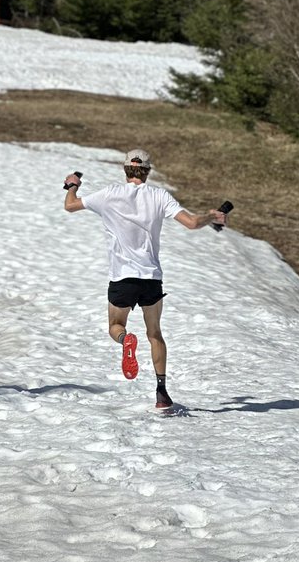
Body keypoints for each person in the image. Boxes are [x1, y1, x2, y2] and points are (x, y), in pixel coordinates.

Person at [63, 149, 228, 410]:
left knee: (116, 325)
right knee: (155, 333)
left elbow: (70, 206)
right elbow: (192, 223)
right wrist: (211, 216)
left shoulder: (109, 194)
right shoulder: (159, 196)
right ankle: (162, 392)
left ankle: (125, 340)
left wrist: (72, 185)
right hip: (151, 277)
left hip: (122, 277)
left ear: (125, 169)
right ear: (148, 172)